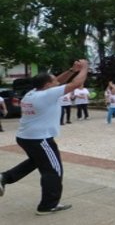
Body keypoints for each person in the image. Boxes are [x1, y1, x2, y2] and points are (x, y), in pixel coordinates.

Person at [0, 60, 88, 215]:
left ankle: (4, 177)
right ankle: (48, 205)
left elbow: (59, 81)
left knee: (36, 161)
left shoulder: (32, 92)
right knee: (53, 170)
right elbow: (76, 83)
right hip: (40, 139)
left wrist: (72, 70)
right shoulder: (47, 95)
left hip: (25, 137)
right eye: (53, 80)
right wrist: (85, 68)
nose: (57, 81)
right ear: (47, 85)